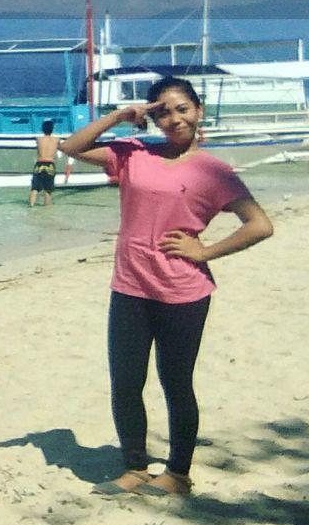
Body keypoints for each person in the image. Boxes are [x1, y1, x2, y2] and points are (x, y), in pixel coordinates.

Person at [58, 76, 273, 497]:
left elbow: (260, 225)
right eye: (162, 111)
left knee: (176, 382)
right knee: (125, 381)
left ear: (198, 111)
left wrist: (205, 251)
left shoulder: (214, 171)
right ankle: (135, 468)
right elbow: (71, 147)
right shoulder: (134, 154)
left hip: (182, 292)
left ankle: (177, 474)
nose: (173, 119)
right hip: (130, 286)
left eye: (181, 109)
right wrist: (120, 115)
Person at [30, 119, 58, 207]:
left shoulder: (38, 139)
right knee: (47, 190)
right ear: (52, 129)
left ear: (42, 129)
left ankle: (31, 206)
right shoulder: (56, 140)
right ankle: (47, 209)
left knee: (34, 188)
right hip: (50, 165)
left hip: (39, 165)